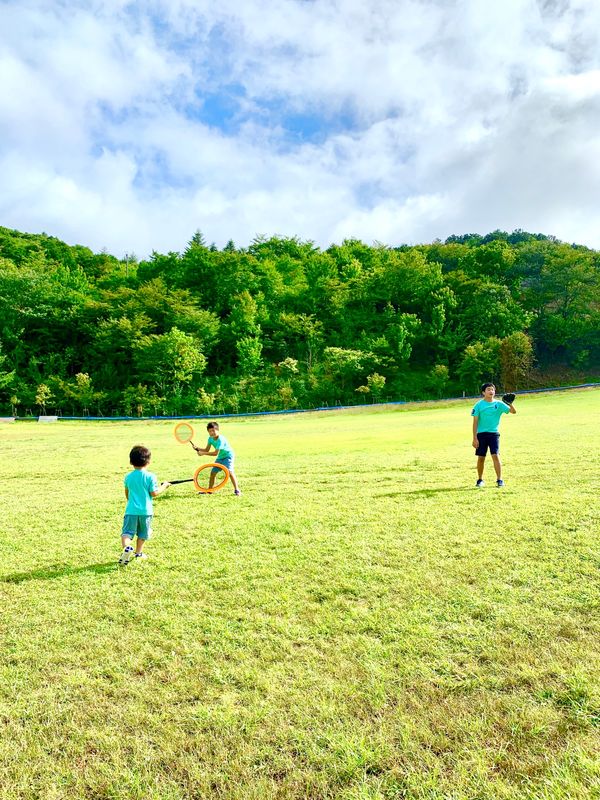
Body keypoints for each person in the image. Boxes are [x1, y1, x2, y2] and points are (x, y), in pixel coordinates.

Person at [119, 445, 170, 565]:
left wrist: (130, 501)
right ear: (148, 461)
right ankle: (138, 553)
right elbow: (154, 493)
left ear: (131, 461)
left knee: (127, 533)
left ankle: (127, 547)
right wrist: (164, 486)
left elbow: (127, 493)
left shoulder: (128, 477)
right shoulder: (151, 476)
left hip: (131, 510)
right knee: (143, 533)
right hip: (146, 512)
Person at [471, 383, 516, 488]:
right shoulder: (478, 405)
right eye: (488, 389)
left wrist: (510, 404)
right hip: (481, 434)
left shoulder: (499, 404)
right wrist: (474, 438)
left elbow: (513, 412)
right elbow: (475, 422)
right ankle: (480, 480)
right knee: (481, 457)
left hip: (494, 434)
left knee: (495, 455)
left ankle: (499, 480)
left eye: (492, 389)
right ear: (483, 392)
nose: (491, 391)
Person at [193, 421, 241, 495]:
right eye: (210, 431)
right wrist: (197, 448)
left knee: (230, 472)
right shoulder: (210, 439)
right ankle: (210, 490)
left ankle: (237, 490)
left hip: (228, 456)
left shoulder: (220, 439)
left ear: (218, 430)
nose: (212, 432)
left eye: (213, 430)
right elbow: (206, 450)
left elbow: (215, 453)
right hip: (220, 457)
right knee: (213, 473)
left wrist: (203, 454)